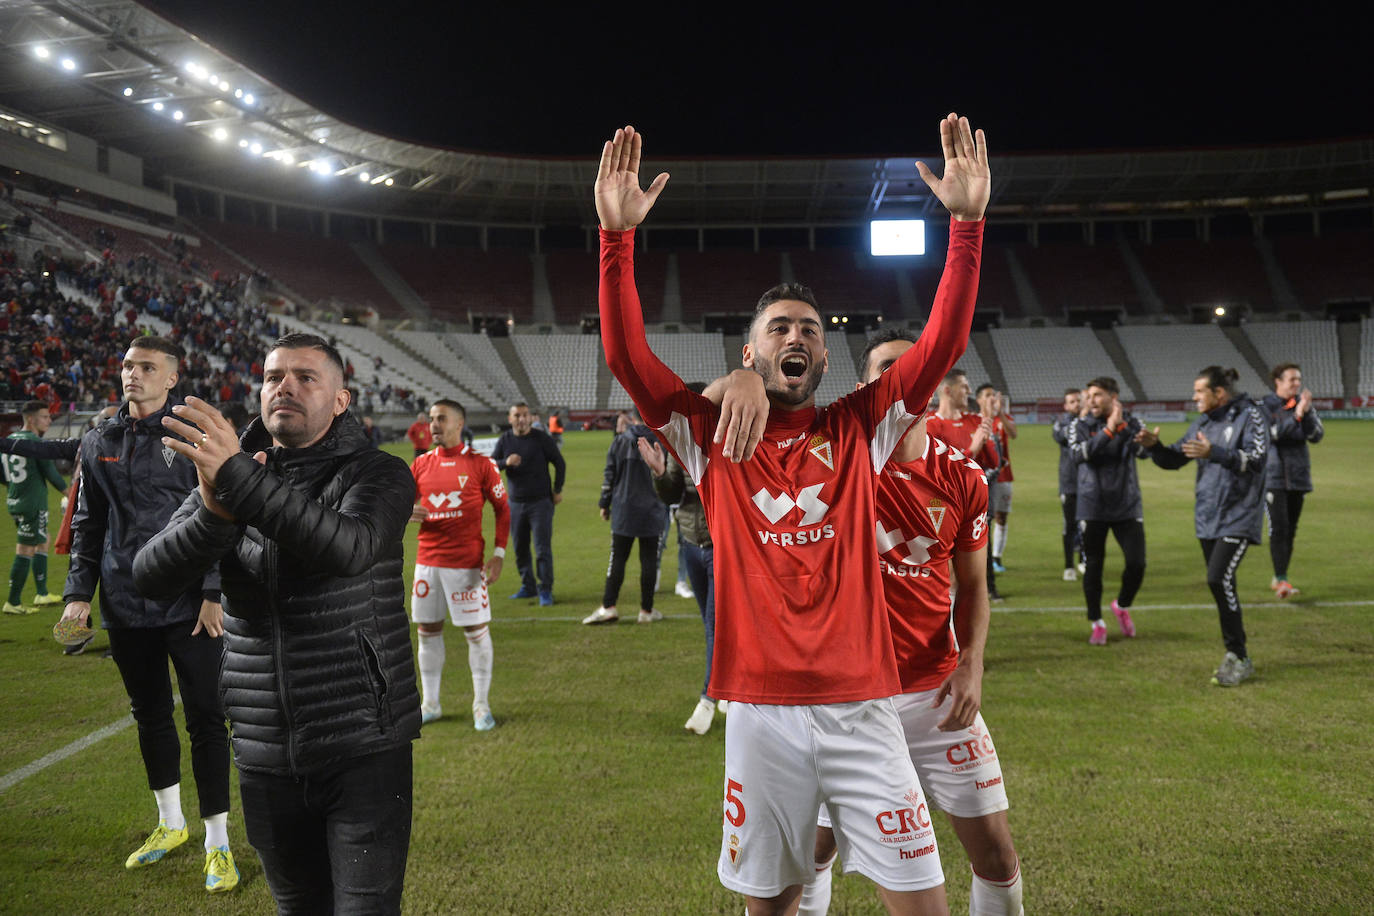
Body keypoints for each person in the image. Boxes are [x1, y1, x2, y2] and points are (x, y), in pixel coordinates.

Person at [597, 115, 987, 915]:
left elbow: (942, 344)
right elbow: (627, 360)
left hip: (864, 708)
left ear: (826, 355)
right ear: (752, 354)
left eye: (809, 328)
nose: (796, 334)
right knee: (770, 907)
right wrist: (615, 241)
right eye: (778, 328)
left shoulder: (860, 426)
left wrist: (968, 225)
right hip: (760, 715)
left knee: (923, 903)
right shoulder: (708, 435)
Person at [133, 333, 421, 912]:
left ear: (341, 400)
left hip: (363, 743)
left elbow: (349, 548)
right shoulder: (234, 475)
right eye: (272, 376)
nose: (283, 385)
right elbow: (148, 574)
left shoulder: (380, 473)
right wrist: (214, 515)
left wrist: (238, 481)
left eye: (305, 376)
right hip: (262, 750)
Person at [798, 330, 1022, 916]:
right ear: (864, 387)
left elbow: (973, 588)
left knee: (996, 855)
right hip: (847, 696)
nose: (907, 378)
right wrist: (745, 380)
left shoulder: (963, 477)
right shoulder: (830, 460)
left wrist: (972, 663)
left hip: (934, 690)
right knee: (811, 851)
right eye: (889, 369)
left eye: (917, 367)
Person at [58, 337, 238, 893]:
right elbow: (89, 523)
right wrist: (78, 594)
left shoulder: (191, 434)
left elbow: (222, 512)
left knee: (207, 716)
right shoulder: (98, 438)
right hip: (124, 600)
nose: (133, 374)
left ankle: (219, 843)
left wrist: (214, 591)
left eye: (146, 367)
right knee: (150, 713)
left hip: (189, 602)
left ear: (171, 379)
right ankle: (170, 825)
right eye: (129, 366)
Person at [1137, 366, 1267, 687]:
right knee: (1222, 584)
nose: (1194, 397)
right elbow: (1174, 460)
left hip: (1239, 515)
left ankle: (1239, 655)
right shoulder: (1205, 422)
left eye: (1199, 391)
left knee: (1217, 577)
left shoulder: (1251, 416)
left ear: (1218, 393)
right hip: (1208, 517)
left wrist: (1217, 453)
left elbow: (1258, 459)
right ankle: (1236, 653)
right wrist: (1155, 446)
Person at [409, 399, 510, 729]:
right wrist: (407, 513)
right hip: (428, 563)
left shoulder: (482, 464)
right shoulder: (420, 465)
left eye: (441, 419)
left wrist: (498, 555)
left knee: (476, 634)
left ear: (459, 423)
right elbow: (402, 506)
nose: (434, 425)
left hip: (466, 566)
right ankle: (430, 703)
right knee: (427, 633)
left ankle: (481, 704)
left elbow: (503, 509)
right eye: (432, 420)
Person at [638, 417, 719, 733]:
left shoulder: (726, 444)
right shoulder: (679, 446)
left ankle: (708, 699)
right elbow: (672, 495)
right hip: (690, 544)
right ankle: (729, 690)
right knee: (710, 624)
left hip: (720, 547)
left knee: (714, 625)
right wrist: (659, 472)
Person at [1068, 377, 1148, 646]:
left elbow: (1143, 451)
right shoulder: (1078, 425)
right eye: (1089, 395)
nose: (1091, 400)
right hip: (1092, 507)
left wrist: (1135, 435)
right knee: (1094, 567)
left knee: (1137, 563)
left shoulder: (1132, 422)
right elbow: (1078, 455)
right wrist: (1109, 432)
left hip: (1127, 505)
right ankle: (1097, 623)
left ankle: (1122, 605)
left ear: (1114, 398)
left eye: (1098, 395)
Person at [584, 409, 670, 625]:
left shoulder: (620, 441)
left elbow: (609, 474)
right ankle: (646, 611)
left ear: (633, 418)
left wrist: (604, 503)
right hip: (653, 509)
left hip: (624, 509)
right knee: (649, 561)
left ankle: (609, 606)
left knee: (618, 559)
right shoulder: (663, 440)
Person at [926, 370, 1002, 601]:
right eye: (964, 386)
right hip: (943, 506)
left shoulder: (974, 421)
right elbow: (936, 472)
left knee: (975, 565)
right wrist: (973, 448)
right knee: (946, 571)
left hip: (975, 504)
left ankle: (988, 591)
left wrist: (985, 440)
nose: (969, 391)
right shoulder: (931, 425)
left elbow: (994, 462)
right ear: (947, 390)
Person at [491, 402, 565, 606]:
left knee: (542, 549)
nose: (521, 419)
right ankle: (528, 586)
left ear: (531, 418)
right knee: (520, 548)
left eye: (525, 415)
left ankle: (545, 590)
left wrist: (557, 489)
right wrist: (505, 462)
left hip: (540, 502)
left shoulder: (541, 438)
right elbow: (490, 466)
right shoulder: (505, 440)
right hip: (515, 504)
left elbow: (559, 462)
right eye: (517, 416)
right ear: (510, 419)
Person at [1261, 362, 1323, 598]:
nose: (1297, 384)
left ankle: (1279, 577)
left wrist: (1304, 414)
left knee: (1291, 530)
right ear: (1278, 381)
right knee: (1279, 528)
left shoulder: (1304, 406)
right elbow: (1272, 434)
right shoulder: (1266, 406)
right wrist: (1296, 416)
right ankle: (1282, 579)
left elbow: (1316, 436)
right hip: (1274, 477)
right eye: (1292, 380)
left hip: (1298, 476)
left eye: (1299, 379)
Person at [3, 401, 67, 614]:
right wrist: (71, 495)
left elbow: (3, 475)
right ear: (31, 419)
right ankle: (13, 602)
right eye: (45, 417)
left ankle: (41, 593)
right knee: (26, 548)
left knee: (43, 540)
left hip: (15, 500)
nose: (49, 420)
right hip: (33, 503)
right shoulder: (35, 443)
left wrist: (17, 487)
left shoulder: (9, 441)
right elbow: (53, 475)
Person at [975, 385, 1015, 574]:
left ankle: (997, 557)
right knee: (984, 520)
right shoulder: (973, 420)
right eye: (988, 395)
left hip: (1004, 475)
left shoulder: (1002, 420)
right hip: (984, 478)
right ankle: (983, 561)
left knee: (1002, 517)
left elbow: (1013, 434)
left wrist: (1002, 413)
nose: (992, 398)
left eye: (994, 395)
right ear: (979, 400)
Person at [1050, 388, 1085, 581]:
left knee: (1087, 524)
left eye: (1078, 400)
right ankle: (1068, 566)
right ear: (1066, 406)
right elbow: (1061, 437)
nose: (1076, 404)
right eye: (1072, 401)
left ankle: (1083, 561)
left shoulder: (1091, 422)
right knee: (1070, 525)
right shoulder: (1062, 423)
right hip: (1069, 482)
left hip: (1089, 482)